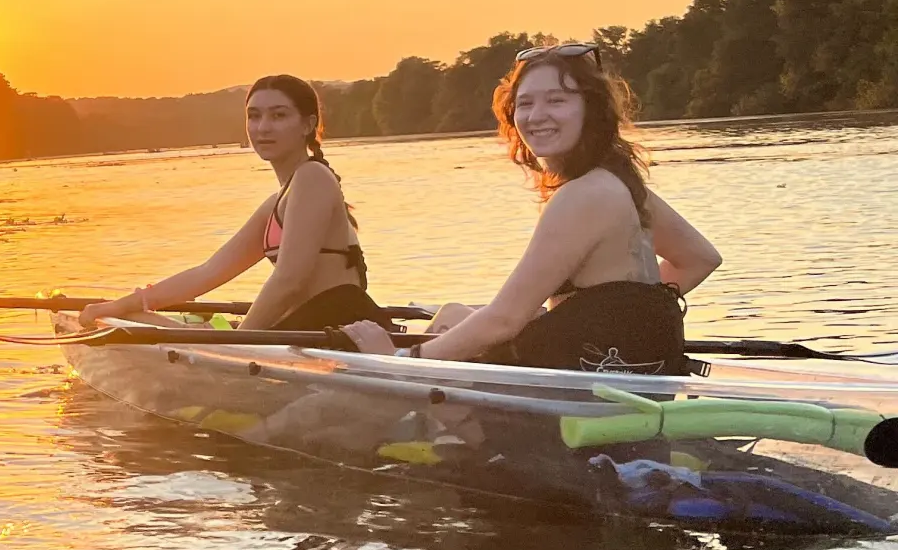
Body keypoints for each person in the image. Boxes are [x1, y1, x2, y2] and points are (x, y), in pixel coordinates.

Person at [344, 44, 720, 373]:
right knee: (455, 315)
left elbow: (504, 320)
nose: (536, 115)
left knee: (449, 334)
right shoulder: (621, 183)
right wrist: (608, 318)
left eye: (557, 100)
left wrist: (400, 361)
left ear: (592, 109)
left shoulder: (583, 195)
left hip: (589, 389)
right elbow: (698, 258)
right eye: (525, 103)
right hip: (628, 373)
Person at [78, 74, 397, 335]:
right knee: (134, 319)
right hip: (310, 326)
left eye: (279, 115)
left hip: (338, 324)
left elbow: (290, 279)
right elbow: (207, 273)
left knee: (143, 326)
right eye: (254, 116)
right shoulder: (279, 200)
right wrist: (120, 306)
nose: (263, 127)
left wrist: (239, 338)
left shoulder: (313, 177)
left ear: (307, 124)